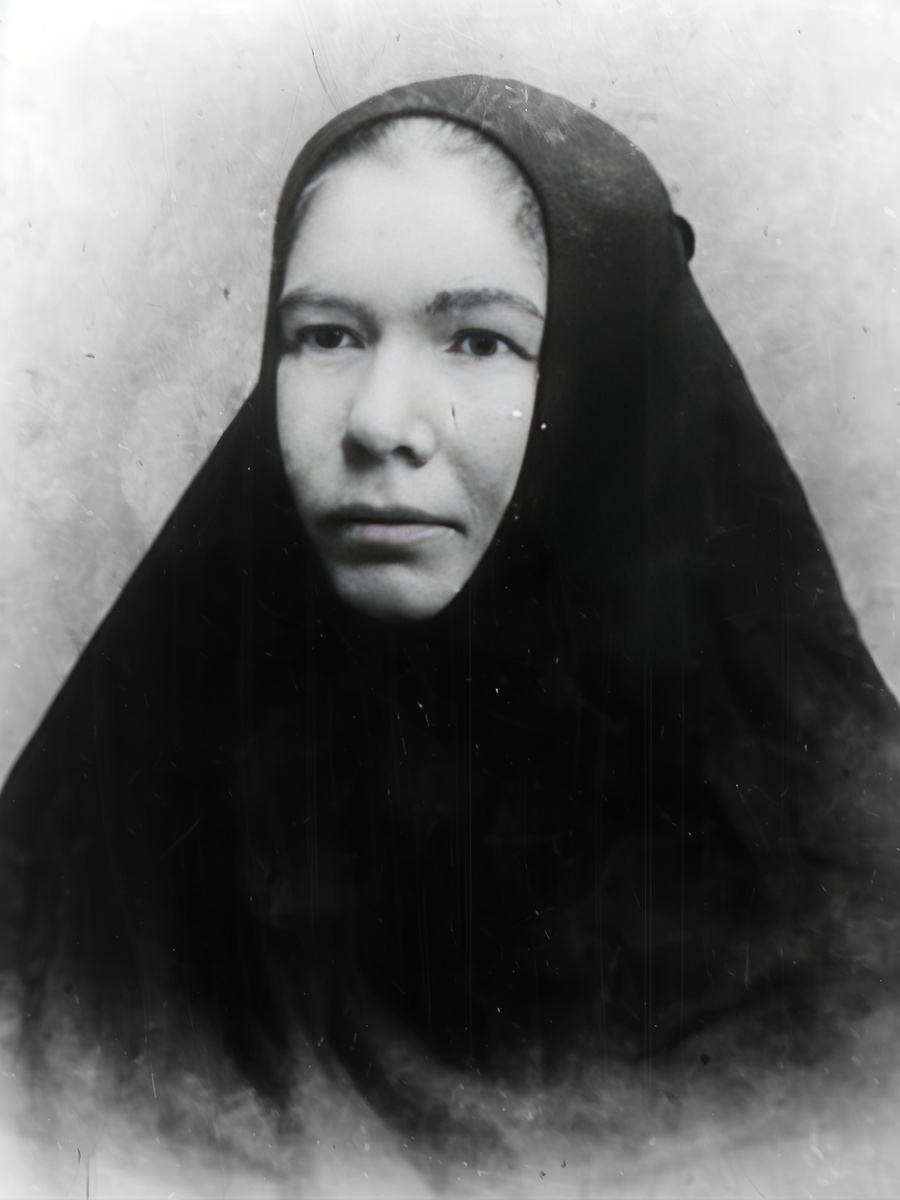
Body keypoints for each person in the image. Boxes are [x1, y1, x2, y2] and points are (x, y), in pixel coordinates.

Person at [1, 74, 898, 1138]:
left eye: (478, 340)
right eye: (326, 336)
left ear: (612, 388)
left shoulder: (838, 917)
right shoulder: (116, 840)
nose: (379, 423)